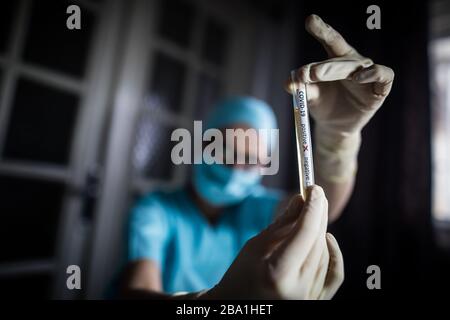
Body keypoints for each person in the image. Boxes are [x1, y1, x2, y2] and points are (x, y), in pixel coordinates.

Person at [119, 14, 394, 299]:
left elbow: (324, 204)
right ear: (201, 144)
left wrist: (338, 139)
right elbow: (136, 293)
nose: (237, 167)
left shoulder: (261, 210)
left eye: (251, 160)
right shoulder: (156, 210)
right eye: (225, 150)